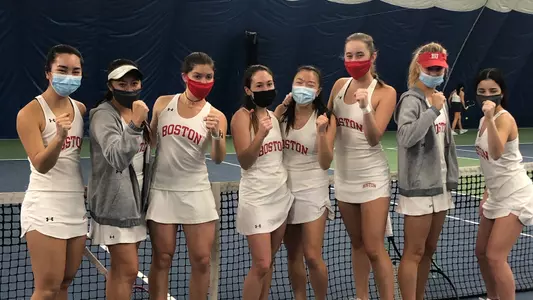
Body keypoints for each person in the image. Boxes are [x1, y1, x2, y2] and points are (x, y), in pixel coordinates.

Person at [146, 52, 227, 300]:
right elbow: (151, 141)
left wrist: (216, 134)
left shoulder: (217, 116)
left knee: (202, 259)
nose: (203, 81)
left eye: (208, 77)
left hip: (196, 191)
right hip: (162, 190)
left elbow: (218, 157)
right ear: (185, 76)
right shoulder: (162, 103)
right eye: (197, 76)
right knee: (162, 256)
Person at [326, 32, 396, 300]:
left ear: (373, 56)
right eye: (349, 55)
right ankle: (361, 297)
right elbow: (328, 123)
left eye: (360, 55)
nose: (353, 60)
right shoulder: (339, 86)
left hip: (372, 177)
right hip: (344, 176)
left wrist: (366, 108)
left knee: (374, 247)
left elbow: (373, 136)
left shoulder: (385, 92)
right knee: (356, 244)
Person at [17, 44, 87, 300]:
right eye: (62, 70)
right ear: (48, 72)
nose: (69, 76)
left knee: (65, 283)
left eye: (75, 71)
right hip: (45, 205)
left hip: (75, 207)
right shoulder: (29, 113)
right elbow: (41, 165)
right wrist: (58, 137)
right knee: (46, 289)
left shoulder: (79, 109)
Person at [393, 42, 459, 300]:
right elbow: (406, 137)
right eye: (430, 68)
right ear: (419, 67)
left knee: (429, 249)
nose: (435, 72)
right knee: (414, 252)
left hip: (440, 186)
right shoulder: (411, 100)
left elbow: (446, 144)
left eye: (439, 68)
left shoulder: (440, 100)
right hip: (419, 189)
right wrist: (431, 110)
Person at [87, 59, 151, 300]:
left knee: (121, 271)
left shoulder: (138, 113)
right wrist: (135, 124)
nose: (130, 88)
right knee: (128, 269)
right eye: (122, 84)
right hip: (115, 205)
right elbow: (116, 157)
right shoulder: (103, 115)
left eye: (134, 83)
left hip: (136, 204)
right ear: (111, 85)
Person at [230, 64, 294, 300]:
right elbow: (245, 161)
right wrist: (259, 136)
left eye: (269, 84)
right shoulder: (240, 117)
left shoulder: (272, 118)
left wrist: (286, 104)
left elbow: (277, 116)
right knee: (262, 264)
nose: (265, 89)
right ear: (248, 90)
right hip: (256, 199)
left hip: (280, 195)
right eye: (259, 86)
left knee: (270, 263)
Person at [272, 65, 335, 300]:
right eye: (300, 82)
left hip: (313, 191)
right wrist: (281, 108)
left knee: (312, 255)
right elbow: (265, 131)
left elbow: (326, 162)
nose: (304, 87)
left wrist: (321, 132)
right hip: (284, 190)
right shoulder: (282, 116)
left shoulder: (326, 118)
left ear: (318, 91)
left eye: (310, 84)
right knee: (293, 255)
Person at [474, 68, 533, 300]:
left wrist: (490, 116)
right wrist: (487, 192)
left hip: (516, 194)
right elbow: (490, 165)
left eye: (492, 91)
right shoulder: (481, 120)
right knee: (481, 252)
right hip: (496, 194)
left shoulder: (504, 118)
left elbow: (497, 153)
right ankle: (492, 297)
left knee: (496, 256)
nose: (487, 96)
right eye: (481, 91)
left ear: (502, 93)